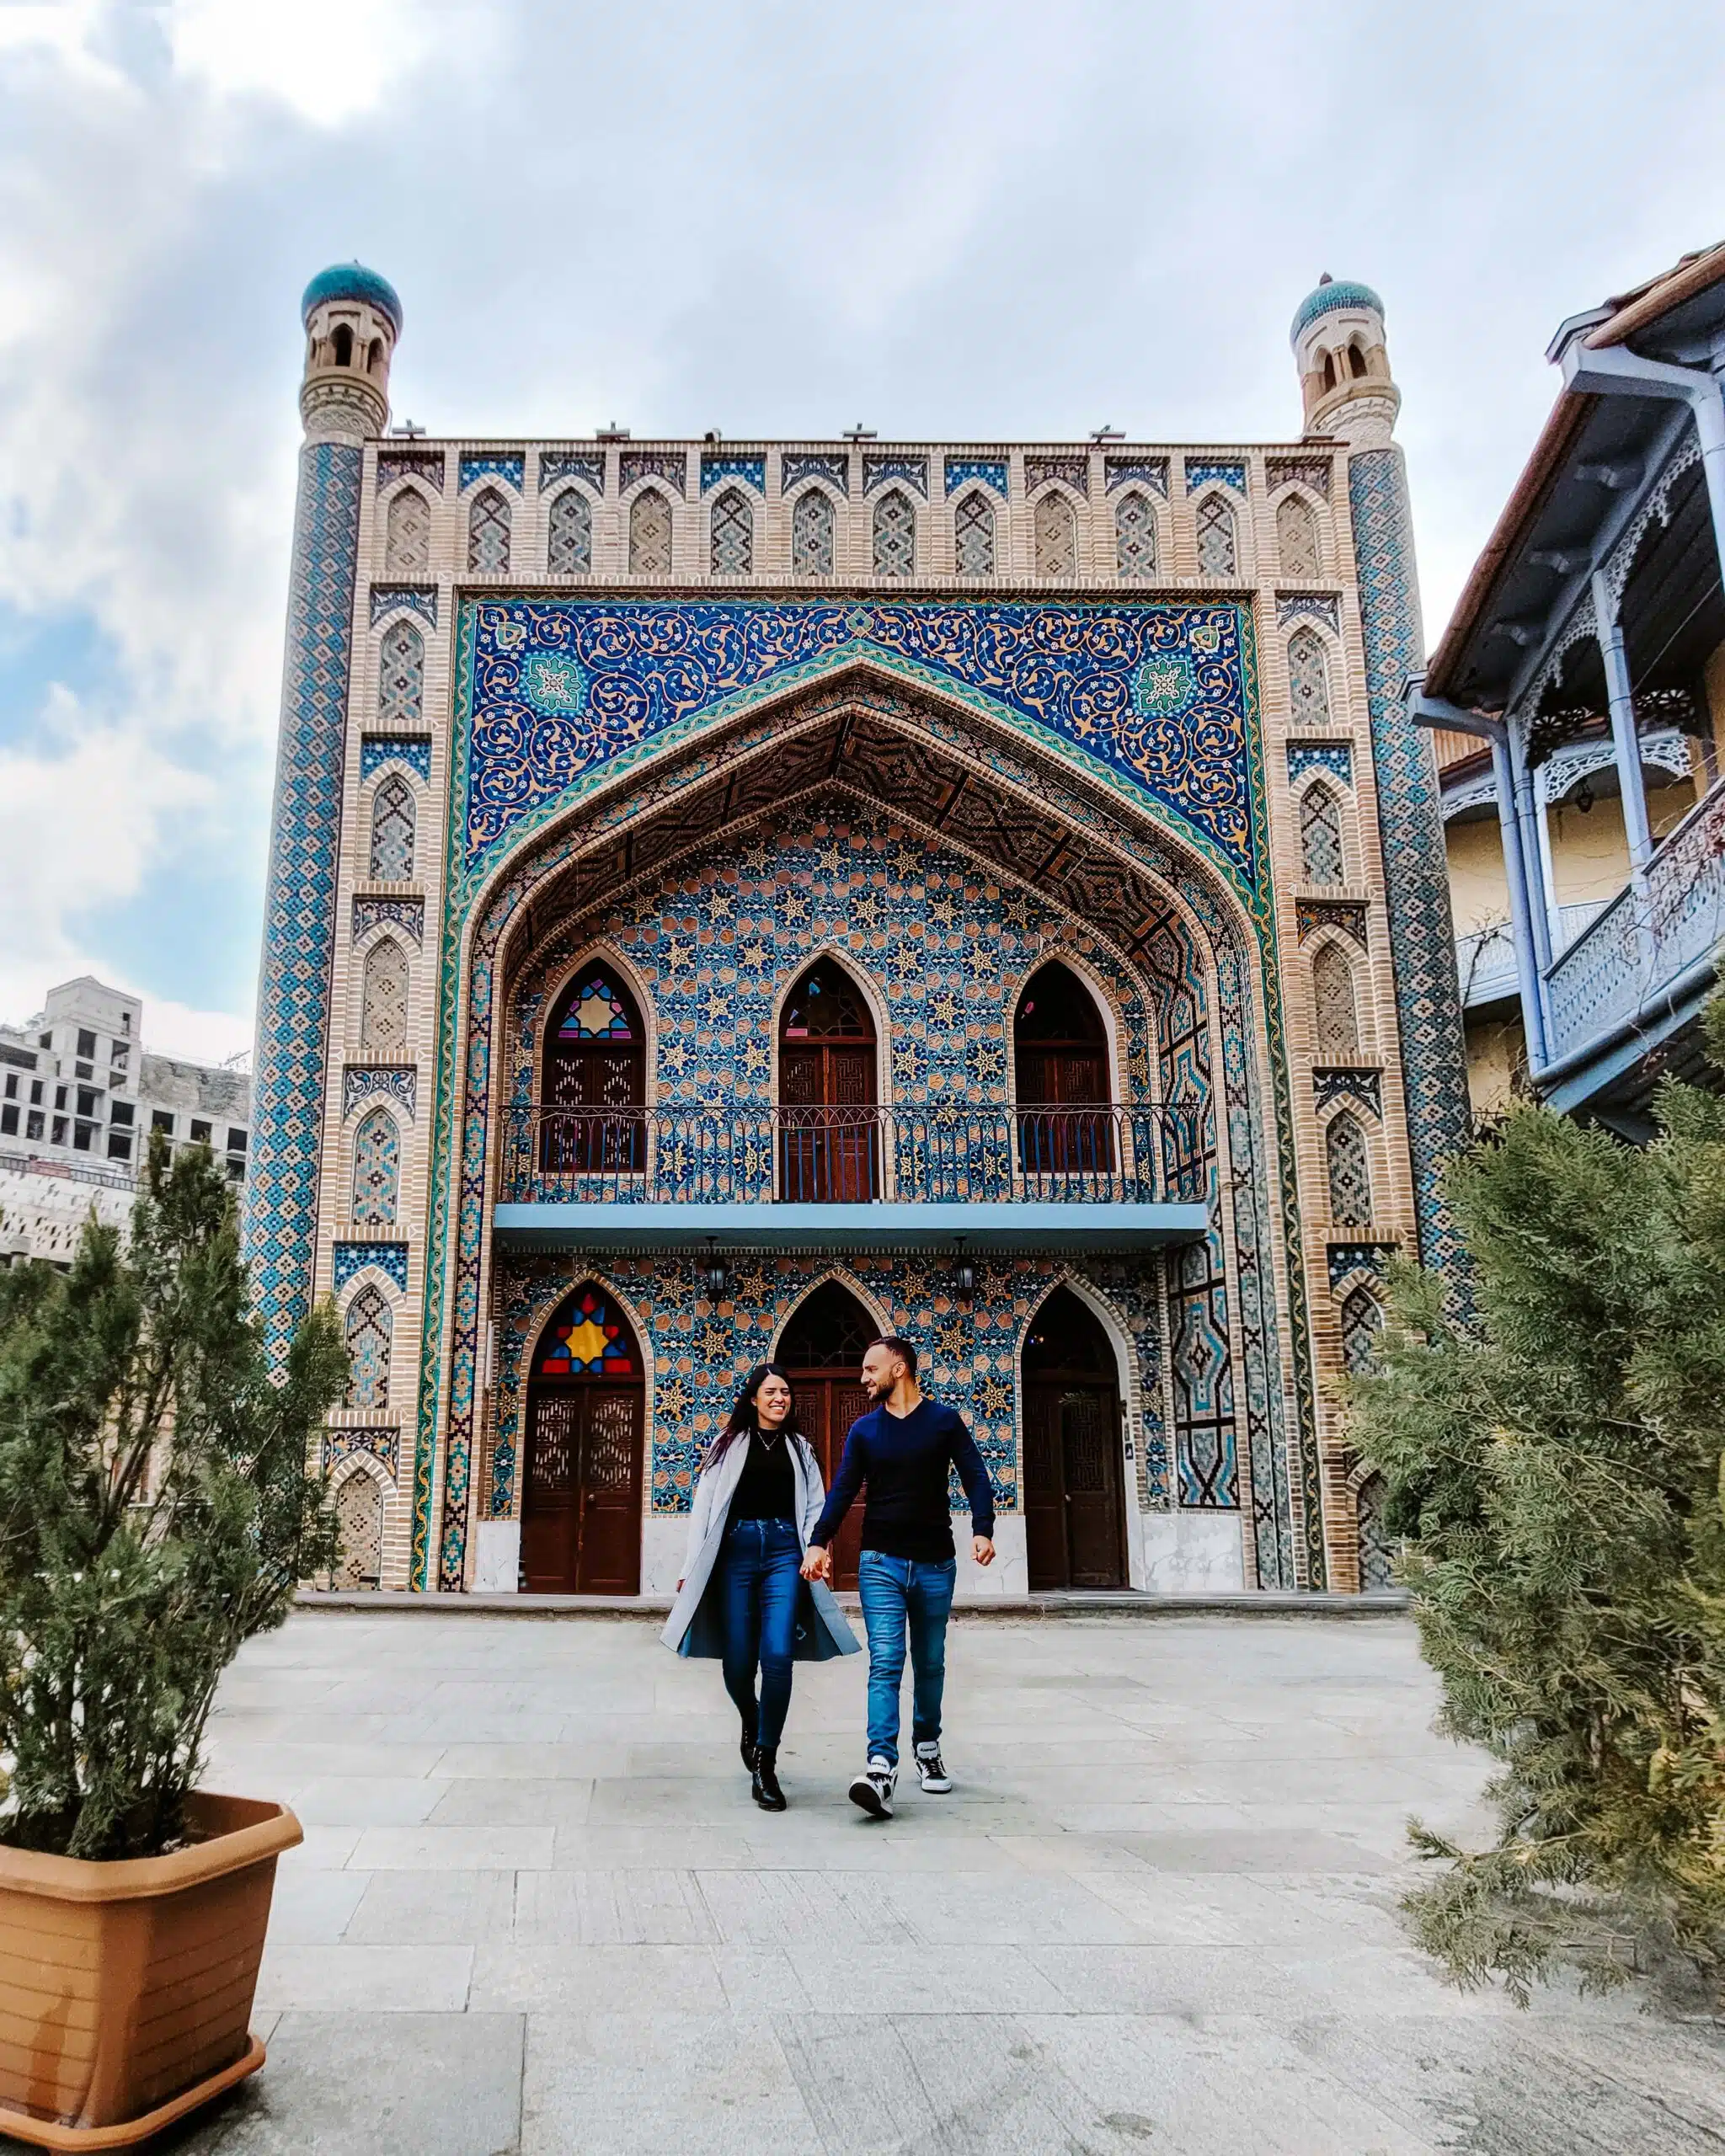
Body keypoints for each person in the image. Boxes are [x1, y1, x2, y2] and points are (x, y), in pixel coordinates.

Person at [801, 1335, 995, 1819]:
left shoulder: (944, 1421)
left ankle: (927, 1749)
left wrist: (983, 1529)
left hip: (934, 1565)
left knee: (930, 1663)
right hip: (881, 1562)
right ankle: (881, 1765)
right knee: (886, 1661)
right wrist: (820, 1540)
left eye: (871, 1369)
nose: (863, 1377)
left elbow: (975, 1475)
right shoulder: (865, 1431)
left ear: (900, 1369)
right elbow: (843, 1488)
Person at [660, 1362, 858, 1809]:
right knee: (737, 1661)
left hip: (784, 1554)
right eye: (770, 1391)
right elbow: (704, 1507)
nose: (779, 1398)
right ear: (753, 1398)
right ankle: (751, 1716)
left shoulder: (800, 1448)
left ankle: (766, 1761)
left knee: (776, 1654)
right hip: (736, 1555)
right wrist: (691, 1565)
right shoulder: (726, 1446)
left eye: (785, 1392)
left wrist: (816, 1546)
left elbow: (815, 1504)